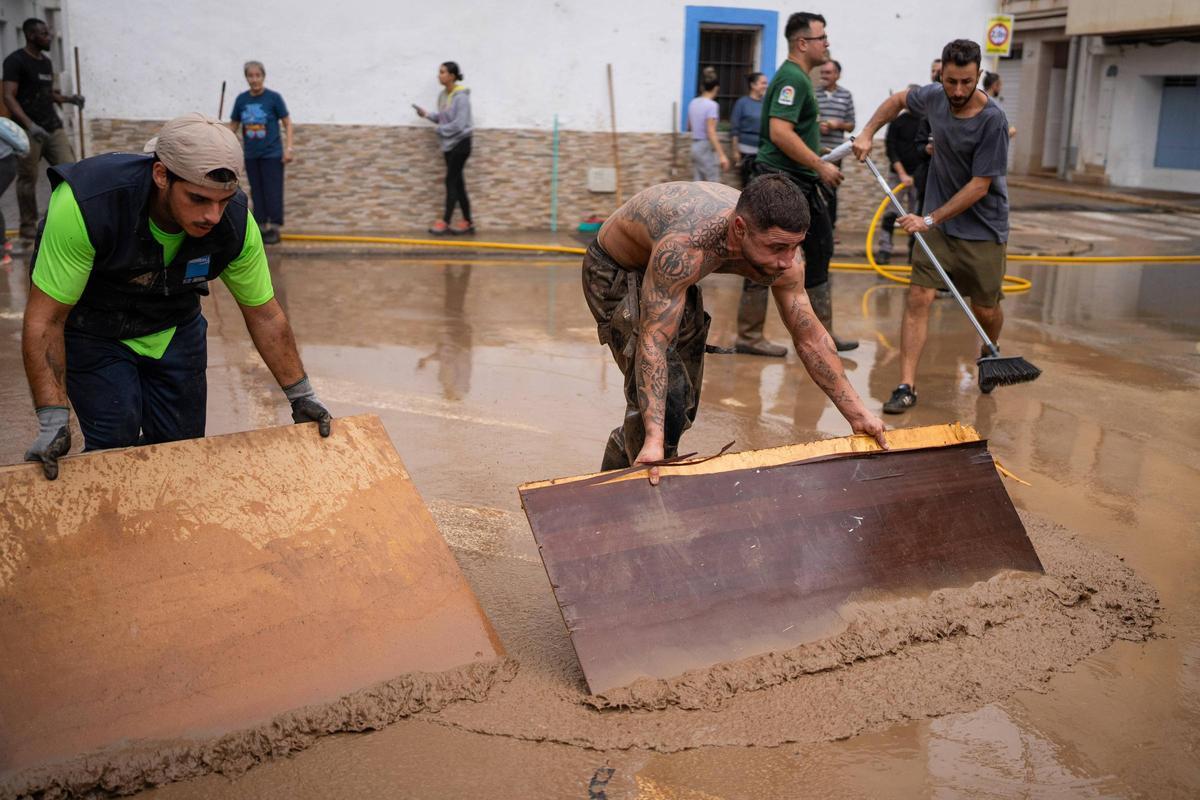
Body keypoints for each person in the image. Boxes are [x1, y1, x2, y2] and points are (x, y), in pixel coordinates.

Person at [21, 113, 331, 480]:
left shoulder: (234, 223)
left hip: (174, 328)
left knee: (181, 453)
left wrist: (301, 395)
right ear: (161, 176)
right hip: (94, 329)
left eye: (223, 201)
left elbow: (265, 315)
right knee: (114, 443)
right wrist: (52, 419)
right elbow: (46, 319)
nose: (212, 216)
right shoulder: (87, 205)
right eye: (198, 199)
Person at [581, 175, 887, 483]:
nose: (786, 261)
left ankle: (636, 461)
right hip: (615, 269)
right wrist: (654, 438)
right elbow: (653, 341)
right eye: (777, 247)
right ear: (740, 229)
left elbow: (810, 338)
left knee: (681, 402)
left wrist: (858, 413)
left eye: (794, 247)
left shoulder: (786, 256)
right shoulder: (686, 247)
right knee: (668, 400)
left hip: (667, 278)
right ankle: (631, 483)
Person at [853, 39, 1011, 414]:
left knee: (986, 307)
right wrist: (867, 131)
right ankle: (906, 384)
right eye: (951, 81)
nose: (957, 91)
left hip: (983, 227)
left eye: (966, 82)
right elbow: (898, 101)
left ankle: (990, 352)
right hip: (937, 225)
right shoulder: (934, 97)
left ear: (979, 77)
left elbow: (980, 185)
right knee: (918, 298)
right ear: (941, 75)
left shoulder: (993, 120)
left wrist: (929, 218)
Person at [753, 11, 857, 352]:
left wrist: (821, 151)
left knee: (819, 247)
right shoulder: (793, 80)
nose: (827, 43)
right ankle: (751, 335)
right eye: (822, 37)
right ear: (802, 43)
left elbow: (793, 132)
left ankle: (821, 335)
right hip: (785, 181)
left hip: (796, 178)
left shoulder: (798, 78)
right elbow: (779, 132)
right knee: (763, 255)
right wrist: (819, 165)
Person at [2, 18, 83, 248]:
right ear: (31, 35)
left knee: (71, 172)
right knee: (28, 178)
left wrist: (69, 99)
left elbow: (48, 94)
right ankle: (28, 229)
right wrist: (29, 124)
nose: (49, 36)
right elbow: (8, 96)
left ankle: (60, 220)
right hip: (28, 130)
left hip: (52, 126)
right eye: (44, 33)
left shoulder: (46, 63)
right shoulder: (15, 61)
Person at [228, 61, 292, 245]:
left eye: (258, 75)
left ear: (263, 76)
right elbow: (234, 125)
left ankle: (274, 227)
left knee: (273, 190)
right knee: (257, 191)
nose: (254, 79)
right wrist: (221, 138)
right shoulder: (241, 100)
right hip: (251, 154)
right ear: (246, 77)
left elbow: (287, 122)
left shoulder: (273, 98)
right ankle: (261, 226)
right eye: (250, 76)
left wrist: (289, 148)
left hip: (272, 154)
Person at [415, 61, 474, 235]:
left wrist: (440, 130)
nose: (439, 75)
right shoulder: (443, 96)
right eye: (439, 72)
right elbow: (442, 118)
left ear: (452, 76)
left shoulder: (461, 97)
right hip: (449, 145)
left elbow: (460, 124)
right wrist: (426, 115)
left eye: (442, 72)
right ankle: (468, 222)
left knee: (450, 181)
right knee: (458, 184)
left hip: (461, 143)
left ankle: (445, 222)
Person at [877, 84, 923, 266]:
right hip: (898, 175)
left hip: (918, 176)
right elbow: (891, 147)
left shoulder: (926, 121)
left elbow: (926, 152)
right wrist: (902, 173)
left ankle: (914, 253)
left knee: (916, 215)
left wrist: (916, 176)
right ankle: (884, 249)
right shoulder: (898, 121)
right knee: (890, 212)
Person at [815, 59, 854, 234]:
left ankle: (829, 230)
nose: (824, 76)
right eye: (822, 72)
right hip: (814, 152)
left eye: (828, 73)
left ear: (837, 75)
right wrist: (818, 125)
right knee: (813, 190)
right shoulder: (813, 93)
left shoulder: (846, 95)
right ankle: (812, 230)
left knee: (831, 192)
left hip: (835, 153)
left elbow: (851, 125)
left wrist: (836, 124)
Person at [687, 74, 728, 181]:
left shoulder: (693, 102)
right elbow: (711, 131)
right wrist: (722, 155)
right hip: (705, 145)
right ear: (716, 88)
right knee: (713, 181)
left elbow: (689, 125)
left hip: (694, 145)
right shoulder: (712, 105)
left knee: (698, 180)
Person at [730, 72, 767, 188]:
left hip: (763, 151)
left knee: (761, 184)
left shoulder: (766, 103)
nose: (766, 86)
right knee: (747, 184)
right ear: (753, 85)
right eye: (763, 83)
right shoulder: (742, 103)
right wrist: (735, 150)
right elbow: (735, 128)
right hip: (746, 151)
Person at [982, 72, 1018, 138]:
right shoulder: (992, 105)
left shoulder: (980, 99)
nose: (1001, 88)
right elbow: (993, 134)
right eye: (1000, 85)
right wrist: (1009, 133)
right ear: (994, 85)